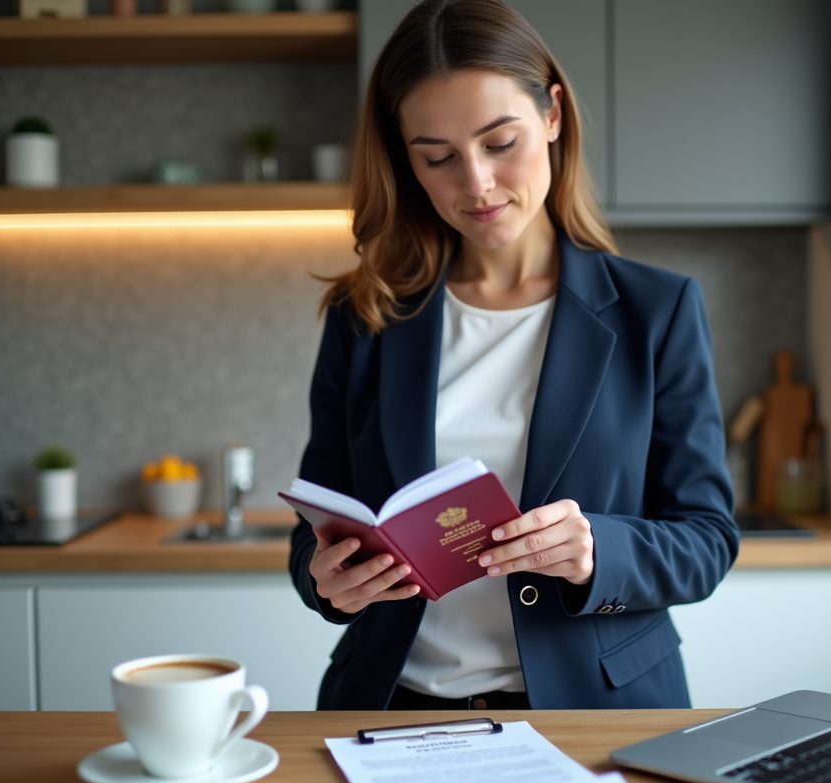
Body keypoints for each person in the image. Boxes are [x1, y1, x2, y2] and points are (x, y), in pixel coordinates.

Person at [288, 0, 737, 712]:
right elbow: (318, 526)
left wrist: (597, 550)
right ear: (406, 160)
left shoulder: (660, 310)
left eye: (501, 143)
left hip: (594, 713)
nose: (477, 185)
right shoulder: (365, 315)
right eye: (437, 157)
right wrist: (324, 580)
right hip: (396, 707)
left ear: (553, 114)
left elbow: (708, 540)